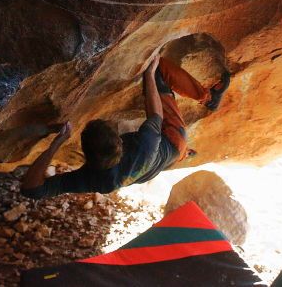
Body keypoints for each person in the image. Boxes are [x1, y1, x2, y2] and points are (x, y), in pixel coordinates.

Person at [20, 53, 230, 199]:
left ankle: (186, 153)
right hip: (172, 140)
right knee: (161, 70)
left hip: (159, 163)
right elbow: (156, 114)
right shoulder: (141, 146)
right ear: (120, 142)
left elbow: (31, 190)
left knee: (172, 155)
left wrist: (56, 144)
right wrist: (149, 75)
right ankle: (208, 97)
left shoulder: (98, 181)